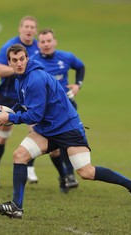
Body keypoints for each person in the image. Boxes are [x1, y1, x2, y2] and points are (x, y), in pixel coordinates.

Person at [0, 43, 131, 219]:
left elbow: (34, 115)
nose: (19, 63)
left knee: (86, 172)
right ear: (9, 63)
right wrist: (10, 110)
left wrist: (9, 118)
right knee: (19, 155)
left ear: (27, 58)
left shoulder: (35, 79)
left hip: (67, 128)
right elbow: (25, 104)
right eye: (14, 60)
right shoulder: (20, 79)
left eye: (21, 59)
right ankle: (16, 206)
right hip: (48, 128)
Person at [0, 15, 40, 188]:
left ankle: (30, 167)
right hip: (8, 96)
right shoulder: (9, 46)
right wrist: (17, 68)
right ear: (20, 28)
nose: (29, 30)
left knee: (36, 130)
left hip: (29, 96)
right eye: (26, 26)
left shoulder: (39, 47)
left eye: (32, 27)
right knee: (2, 137)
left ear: (35, 30)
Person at [30, 28, 83, 193]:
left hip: (67, 107)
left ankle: (70, 175)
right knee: (53, 151)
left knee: (68, 142)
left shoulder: (66, 57)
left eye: (48, 41)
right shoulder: (33, 62)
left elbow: (80, 67)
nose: (46, 44)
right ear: (38, 44)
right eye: (42, 42)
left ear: (55, 42)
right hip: (46, 112)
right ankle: (63, 176)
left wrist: (77, 84)